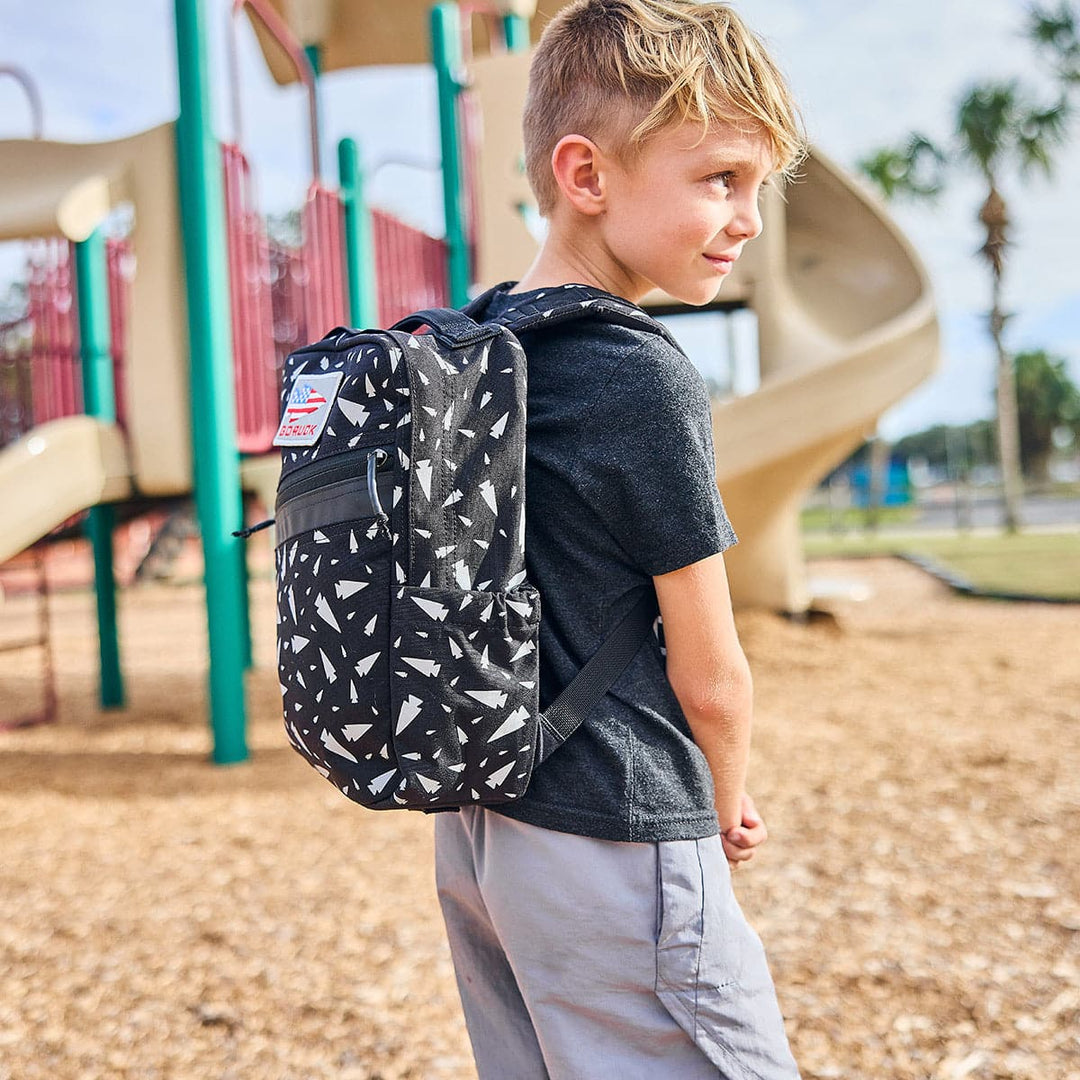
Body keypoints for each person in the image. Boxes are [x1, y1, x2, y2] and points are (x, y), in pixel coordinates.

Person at [434, 1, 806, 1076]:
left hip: (481, 828)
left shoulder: (482, 339)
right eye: (719, 180)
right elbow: (711, 671)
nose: (747, 219)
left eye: (756, 188)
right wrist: (726, 799)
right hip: (615, 821)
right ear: (587, 177)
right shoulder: (636, 373)